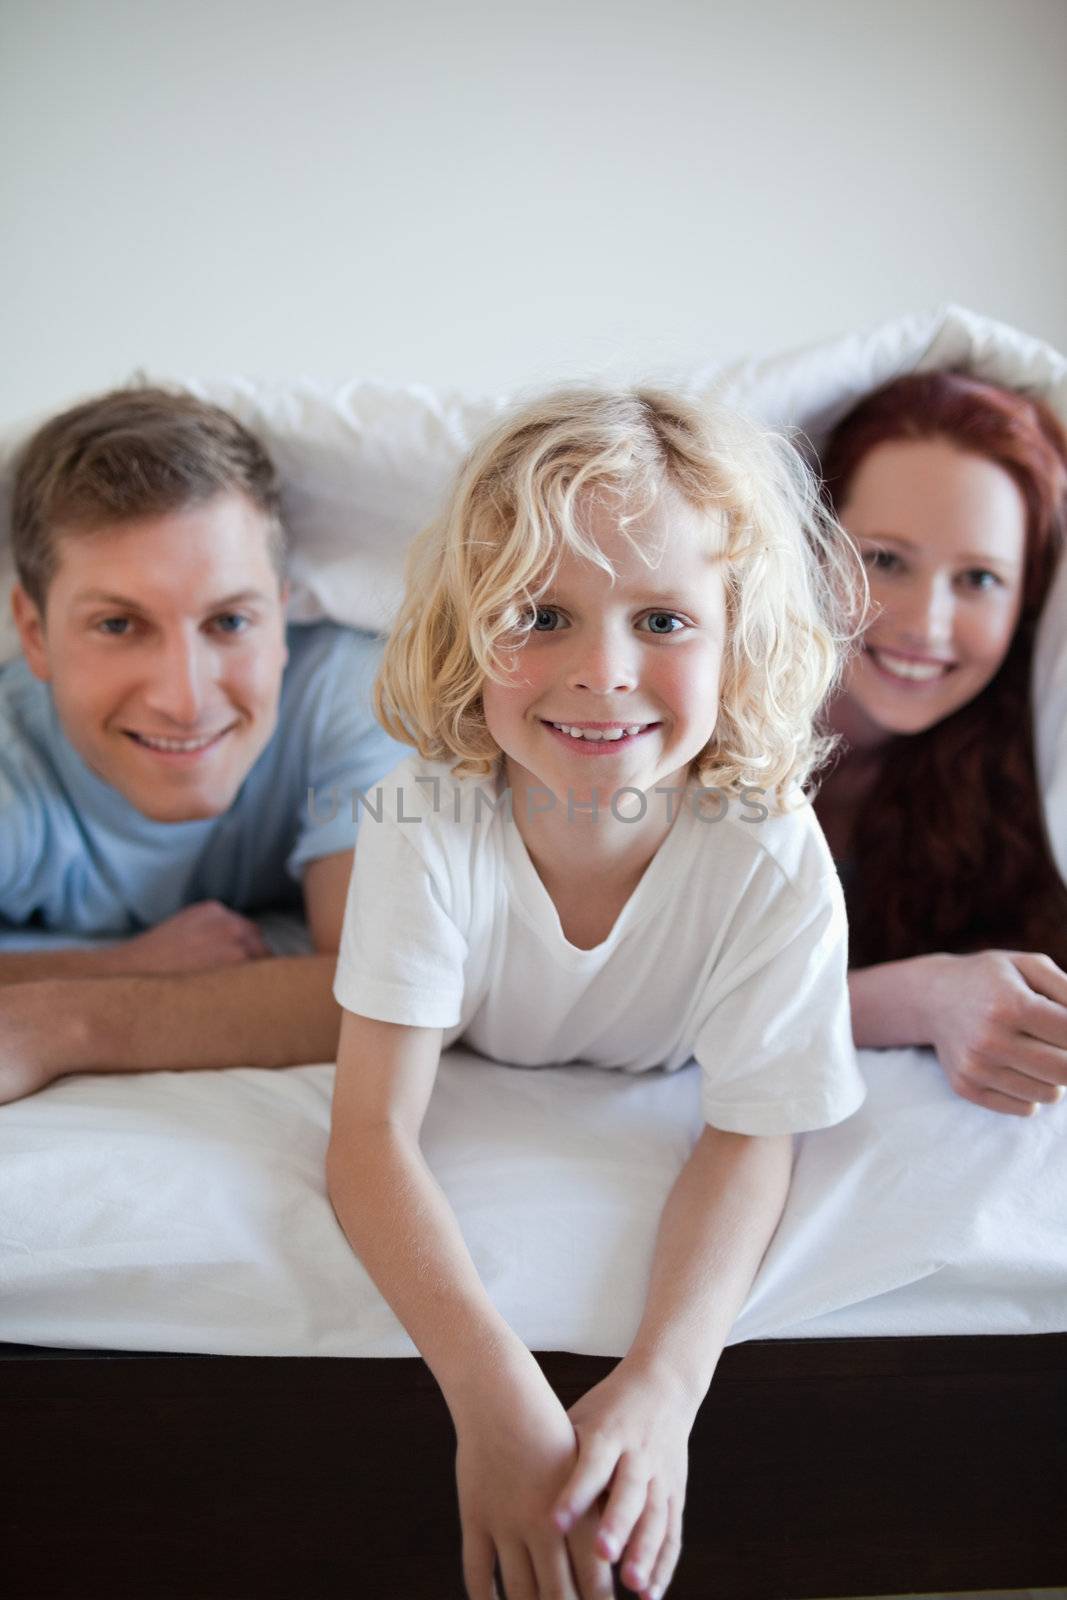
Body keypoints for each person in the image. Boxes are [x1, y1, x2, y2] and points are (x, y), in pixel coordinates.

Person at [326, 387, 868, 1600]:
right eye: (542, 614)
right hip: (459, 1009)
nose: (602, 673)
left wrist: (667, 1381)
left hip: (682, 1027)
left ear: (738, 636)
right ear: (469, 630)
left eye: (663, 618)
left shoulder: (768, 851)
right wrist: (492, 1390)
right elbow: (368, 1132)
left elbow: (747, 1138)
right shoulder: (422, 818)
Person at [0, 385, 403, 1105]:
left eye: (229, 622)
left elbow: (380, 989)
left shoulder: (353, 697)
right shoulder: (12, 763)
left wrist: (66, 1020)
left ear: (281, 616)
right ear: (34, 634)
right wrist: (133, 964)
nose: (184, 700)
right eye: (118, 626)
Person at [813, 370, 1067, 1119]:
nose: (926, 624)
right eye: (885, 559)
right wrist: (922, 999)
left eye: (978, 578)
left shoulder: (1022, 779)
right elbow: (668, 1006)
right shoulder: (681, 729)